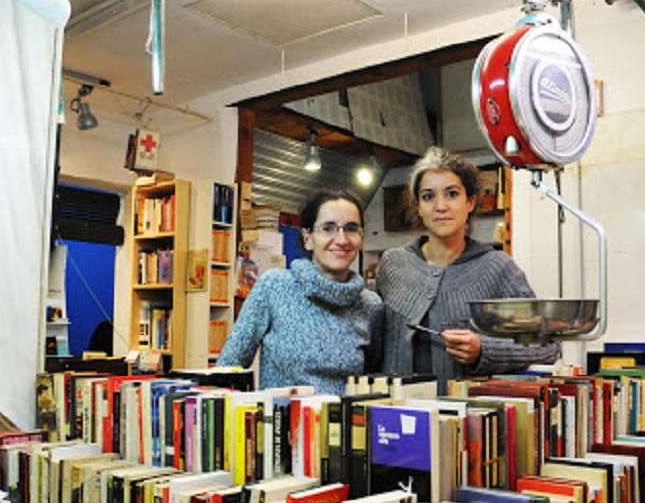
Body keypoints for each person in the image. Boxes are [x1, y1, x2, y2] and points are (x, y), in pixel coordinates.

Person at [378, 146, 560, 393]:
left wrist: (484, 350)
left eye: (452, 194)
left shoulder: (497, 268)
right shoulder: (393, 264)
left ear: (471, 202)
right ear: (418, 206)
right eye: (428, 196)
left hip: (466, 421)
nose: (440, 206)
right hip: (394, 417)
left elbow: (547, 346)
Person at [216, 189, 383, 395]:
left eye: (351, 229)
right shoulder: (274, 286)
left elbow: (375, 382)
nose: (342, 239)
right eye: (328, 228)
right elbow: (227, 371)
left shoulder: (371, 305)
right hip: (279, 423)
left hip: (345, 425)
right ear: (308, 238)